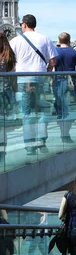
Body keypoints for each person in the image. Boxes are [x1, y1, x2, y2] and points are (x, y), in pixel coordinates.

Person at [10, 14, 58, 155]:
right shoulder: (45, 38)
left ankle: (30, 145)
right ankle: (42, 142)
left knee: (26, 113)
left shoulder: (15, 41)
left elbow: (11, 63)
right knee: (43, 110)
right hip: (40, 79)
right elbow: (53, 61)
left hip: (23, 80)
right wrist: (47, 70)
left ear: (24, 24)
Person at [54, 32, 76, 143]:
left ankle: (63, 132)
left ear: (59, 41)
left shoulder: (54, 52)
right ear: (69, 40)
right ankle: (66, 134)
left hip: (58, 82)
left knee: (61, 109)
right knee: (70, 108)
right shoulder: (74, 52)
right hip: (71, 83)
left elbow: (50, 67)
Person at [0, 31, 16, 163]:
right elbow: (12, 77)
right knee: (2, 125)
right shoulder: (8, 56)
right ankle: (2, 152)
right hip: (5, 93)